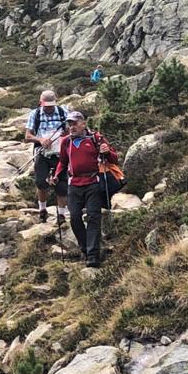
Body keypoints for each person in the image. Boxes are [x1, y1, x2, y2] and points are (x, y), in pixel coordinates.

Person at [50, 111, 120, 267]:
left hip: (93, 182)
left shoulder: (95, 139)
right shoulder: (66, 141)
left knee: (93, 217)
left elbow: (114, 158)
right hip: (74, 184)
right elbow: (62, 161)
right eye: (69, 124)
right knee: (75, 218)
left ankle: (93, 256)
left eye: (75, 123)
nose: (72, 127)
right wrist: (56, 176)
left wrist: (106, 151)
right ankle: (85, 249)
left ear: (83, 123)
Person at [24, 89, 69, 223]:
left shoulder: (63, 112)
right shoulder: (35, 114)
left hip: (60, 153)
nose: (49, 108)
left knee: (61, 184)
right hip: (42, 153)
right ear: (41, 103)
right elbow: (27, 136)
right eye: (46, 105)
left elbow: (70, 130)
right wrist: (40, 140)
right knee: (40, 182)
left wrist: (64, 135)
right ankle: (42, 209)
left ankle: (61, 215)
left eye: (51, 105)